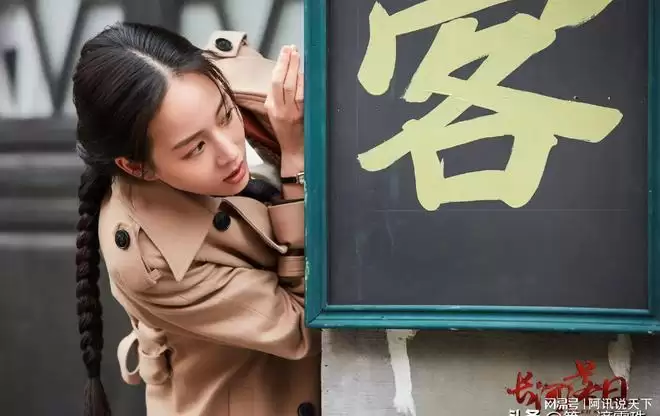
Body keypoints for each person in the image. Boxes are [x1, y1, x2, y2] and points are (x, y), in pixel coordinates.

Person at [73, 22, 320, 416]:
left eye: (225, 115)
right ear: (137, 167)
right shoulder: (153, 262)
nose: (230, 152)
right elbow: (306, 323)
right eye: (195, 149)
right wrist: (295, 160)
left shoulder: (217, 80)